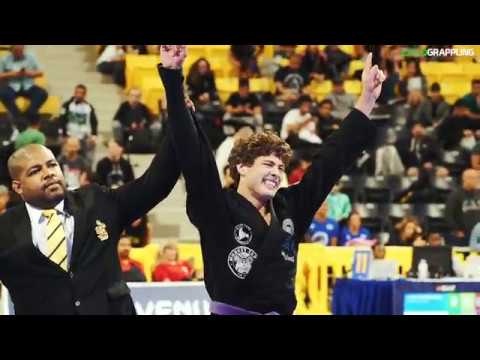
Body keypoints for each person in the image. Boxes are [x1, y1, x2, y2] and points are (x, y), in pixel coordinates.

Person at [158, 46, 383, 315]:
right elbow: (194, 158)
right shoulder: (216, 205)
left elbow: (329, 163)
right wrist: (172, 75)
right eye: (267, 164)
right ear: (241, 166)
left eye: (279, 166)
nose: (276, 171)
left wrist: (366, 101)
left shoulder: (290, 206)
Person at [0, 113, 180, 314]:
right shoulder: (4, 230)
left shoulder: (96, 200)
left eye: (52, 165)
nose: (48, 173)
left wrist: (180, 120)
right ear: (18, 186)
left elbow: (154, 184)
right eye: (35, 171)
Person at [0, 45, 48, 125]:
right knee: (3, 93)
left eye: (21, 51)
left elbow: (40, 72)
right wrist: (13, 74)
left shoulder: (31, 57)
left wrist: (28, 73)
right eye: (16, 51)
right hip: (12, 86)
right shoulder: (5, 59)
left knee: (42, 93)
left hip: (28, 86)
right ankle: (17, 115)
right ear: (12, 51)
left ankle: (30, 112)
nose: (19, 53)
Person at [59, 84, 98, 165]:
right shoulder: (67, 105)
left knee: (88, 155)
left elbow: (94, 122)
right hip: (70, 137)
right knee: (65, 156)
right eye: (77, 92)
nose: (79, 95)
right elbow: (61, 120)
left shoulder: (89, 107)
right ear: (74, 93)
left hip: (84, 137)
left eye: (81, 93)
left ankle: (87, 171)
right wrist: (63, 135)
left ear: (85, 95)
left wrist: (94, 135)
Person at [446, 168, 480, 247]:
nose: (476, 180)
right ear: (465, 179)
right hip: (463, 234)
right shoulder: (455, 195)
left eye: (477, 178)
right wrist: (456, 230)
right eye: (473, 178)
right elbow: (448, 215)